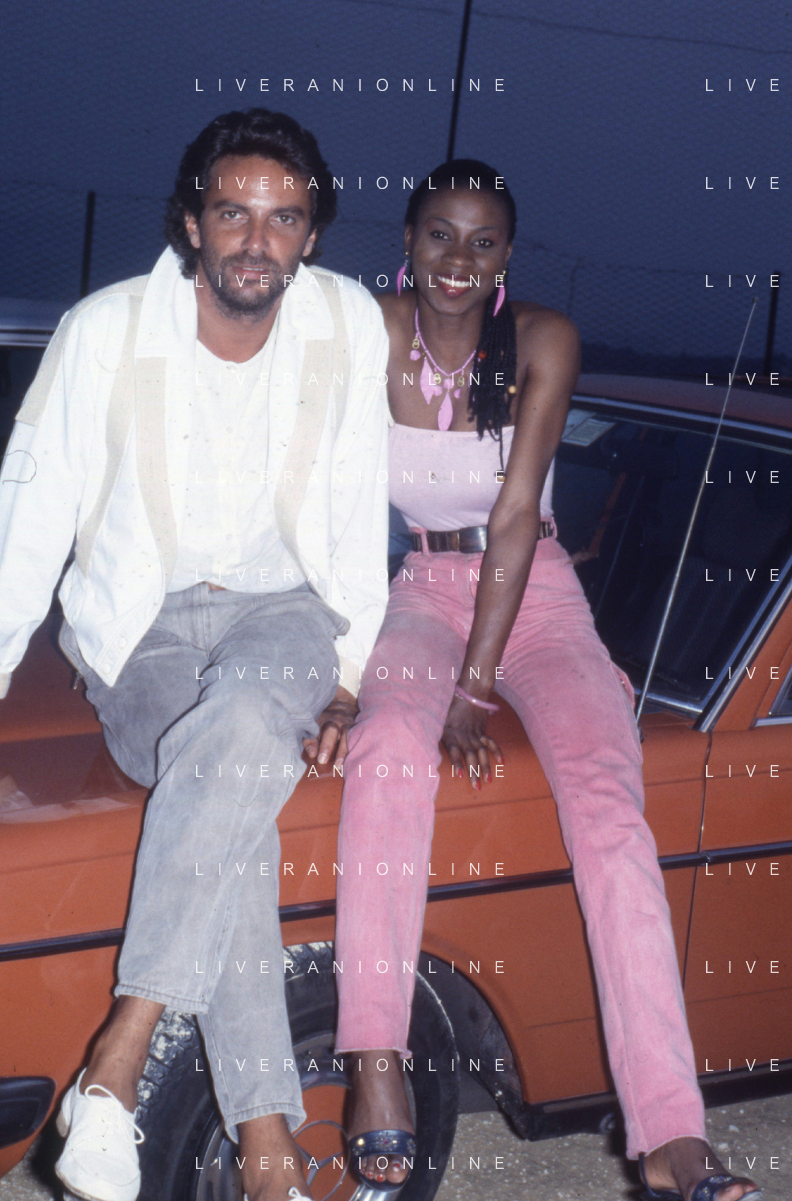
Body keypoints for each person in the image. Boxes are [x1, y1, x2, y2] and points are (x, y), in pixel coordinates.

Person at [332, 160, 762, 1201]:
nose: (458, 258)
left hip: (540, 596)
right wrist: (343, 668)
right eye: (440, 234)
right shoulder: (368, 329)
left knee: (611, 809)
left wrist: (474, 691)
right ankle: (376, 1054)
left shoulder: (542, 339)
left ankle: (669, 1130)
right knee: (385, 748)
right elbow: (327, 496)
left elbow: (518, 514)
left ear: (507, 257)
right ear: (408, 239)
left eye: (482, 241)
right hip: (421, 587)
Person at [0, 108, 390, 1201]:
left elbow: (361, 505)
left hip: (285, 613)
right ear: (191, 223)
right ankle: (266, 1139)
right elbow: (30, 517)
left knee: (245, 724)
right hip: (140, 628)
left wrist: (350, 674)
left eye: (284, 218)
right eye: (233, 214)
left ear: (312, 234)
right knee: (233, 797)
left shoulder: (347, 322)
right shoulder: (106, 331)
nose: (257, 241)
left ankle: (119, 1057)